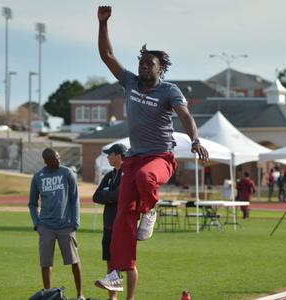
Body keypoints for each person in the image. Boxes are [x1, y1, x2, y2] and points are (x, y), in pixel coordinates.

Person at [96, 6, 209, 299]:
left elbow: (185, 116)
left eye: (150, 64)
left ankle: (150, 209)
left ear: (161, 69)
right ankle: (115, 273)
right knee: (122, 217)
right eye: (142, 63)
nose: (144, 67)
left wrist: (195, 139)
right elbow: (107, 56)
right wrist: (103, 24)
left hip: (161, 158)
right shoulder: (131, 82)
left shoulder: (169, 91)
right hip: (134, 158)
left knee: (148, 177)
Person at [28, 148, 85, 300]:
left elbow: (74, 199)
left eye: (58, 157)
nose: (58, 160)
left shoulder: (67, 173)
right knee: (46, 263)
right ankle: (47, 295)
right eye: (54, 158)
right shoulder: (38, 177)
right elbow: (32, 204)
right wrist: (37, 224)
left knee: (74, 261)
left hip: (66, 226)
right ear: (46, 160)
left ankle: (80, 295)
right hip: (46, 227)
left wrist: (75, 222)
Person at [92, 143, 126, 300]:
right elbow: (96, 196)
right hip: (108, 224)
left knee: (121, 262)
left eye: (109, 154)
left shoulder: (128, 174)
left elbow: (117, 195)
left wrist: (109, 195)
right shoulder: (110, 175)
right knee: (110, 261)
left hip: (122, 226)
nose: (107, 157)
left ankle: (124, 297)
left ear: (118, 156)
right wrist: (110, 196)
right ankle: (113, 297)